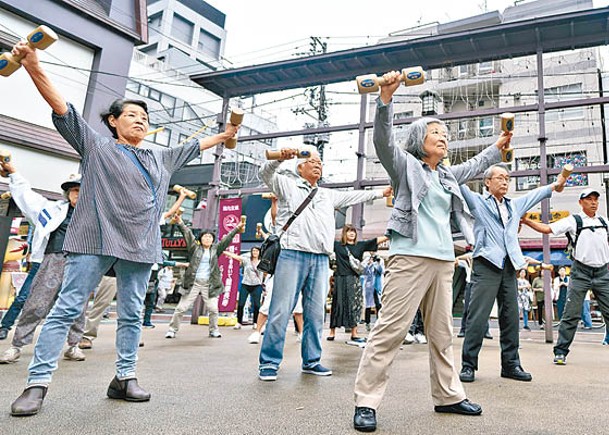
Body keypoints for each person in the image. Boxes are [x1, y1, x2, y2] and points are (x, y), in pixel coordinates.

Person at [7, 39, 238, 417]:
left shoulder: (162, 157)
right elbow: (61, 107)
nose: (140, 120)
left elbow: (200, 143)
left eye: (144, 117)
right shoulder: (97, 147)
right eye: (131, 114)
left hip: (141, 245)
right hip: (93, 239)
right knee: (66, 310)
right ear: (113, 122)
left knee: (131, 314)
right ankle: (38, 383)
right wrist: (33, 63)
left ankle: (124, 377)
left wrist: (227, 134)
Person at [352, 70, 511, 432]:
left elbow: (474, 165)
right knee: (390, 330)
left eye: (446, 135)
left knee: (441, 333)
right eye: (437, 133)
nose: (444, 138)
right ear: (419, 139)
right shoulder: (405, 165)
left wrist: (497, 145)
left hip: (443, 260)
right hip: (408, 257)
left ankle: (448, 395)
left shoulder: (447, 175)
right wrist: (386, 99)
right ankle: (366, 401)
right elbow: (382, 142)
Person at [257, 145, 391, 382]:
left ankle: (311, 361)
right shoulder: (288, 185)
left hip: (320, 258)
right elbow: (264, 175)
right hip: (292, 254)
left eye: (320, 163)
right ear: (300, 167)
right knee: (280, 310)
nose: (318, 165)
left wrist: (380, 193)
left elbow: (354, 195)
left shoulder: (326, 194)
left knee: (316, 313)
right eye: (313, 162)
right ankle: (269, 362)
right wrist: (279, 159)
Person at [458, 163, 566, 384]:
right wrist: (443, 164)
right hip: (486, 263)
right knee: (477, 317)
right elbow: (459, 184)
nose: (505, 181)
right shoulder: (478, 202)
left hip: (509, 266)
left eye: (507, 178)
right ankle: (468, 365)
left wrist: (556, 184)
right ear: (487, 182)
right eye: (499, 178)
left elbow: (535, 194)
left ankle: (510, 364)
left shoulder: (514, 205)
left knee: (510, 318)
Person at [0, 166, 86, 364]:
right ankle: (17, 346)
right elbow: (28, 197)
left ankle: (74, 345)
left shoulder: (95, 215)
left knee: (78, 306)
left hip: (80, 262)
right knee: (36, 303)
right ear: (68, 193)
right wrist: (13, 174)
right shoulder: (52, 209)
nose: (78, 195)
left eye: (82, 191)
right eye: (75, 191)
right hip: (52, 260)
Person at [522, 188, 609, 365]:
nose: (593, 202)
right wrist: (525, 220)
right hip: (580, 272)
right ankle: (560, 351)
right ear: (581, 202)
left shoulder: (604, 221)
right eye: (589, 199)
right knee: (571, 314)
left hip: (603, 272)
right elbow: (547, 228)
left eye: (595, 200)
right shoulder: (574, 220)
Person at [165, 215, 243, 339]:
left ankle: (213, 330)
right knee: (181, 308)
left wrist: (237, 228)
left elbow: (227, 239)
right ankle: (172, 330)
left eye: (210, 237)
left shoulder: (216, 249)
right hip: (193, 283)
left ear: (213, 240)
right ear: (200, 239)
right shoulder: (194, 248)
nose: (207, 239)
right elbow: (188, 234)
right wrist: (180, 222)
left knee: (213, 309)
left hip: (209, 284)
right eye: (205, 237)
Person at [328, 225, 387, 343]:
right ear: (344, 234)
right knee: (336, 305)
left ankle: (354, 333)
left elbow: (374, 241)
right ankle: (332, 332)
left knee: (354, 305)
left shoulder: (360, 246)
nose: (351, 234)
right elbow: (325, 237)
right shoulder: (338, 246)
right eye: (349, 232)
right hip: (339, 278)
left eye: (353, 232)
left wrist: (389, 235)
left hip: (354, 279)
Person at [224, 247, 264, 330]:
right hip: (245, 284)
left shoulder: (262, 262)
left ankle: (255, 323)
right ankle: (239, 322)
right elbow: (236, 257)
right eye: (253, 251)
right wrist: (224, 252)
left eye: (257, 251)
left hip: (257, 285)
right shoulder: (246, 260)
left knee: (256, 305)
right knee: (241, 304)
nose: (255, 252)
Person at [362, 254, 383, 332]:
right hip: (369, 287)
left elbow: (381, 271)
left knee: (378, 304)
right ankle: (367, 323)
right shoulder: (367, 264)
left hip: (376, 287)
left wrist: (376, 263)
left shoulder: (378, 264)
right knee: (368, 306)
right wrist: (368, 264)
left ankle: (379, 321)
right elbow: (363, 272)